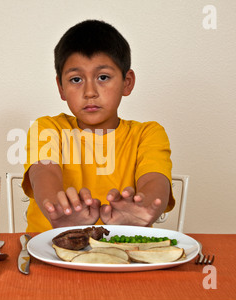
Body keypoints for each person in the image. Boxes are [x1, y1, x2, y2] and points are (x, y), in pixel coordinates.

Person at [22, 20, 175, 232]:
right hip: (48, 250)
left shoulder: (148, 134)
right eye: (76, 80)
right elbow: (44, 174)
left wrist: (143, 209)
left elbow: (155, 182)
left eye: (103, 77)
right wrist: (58, 210)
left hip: (124, 253)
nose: (90, 92)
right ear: (61, 88)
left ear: (127, 82)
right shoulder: (47, 129)